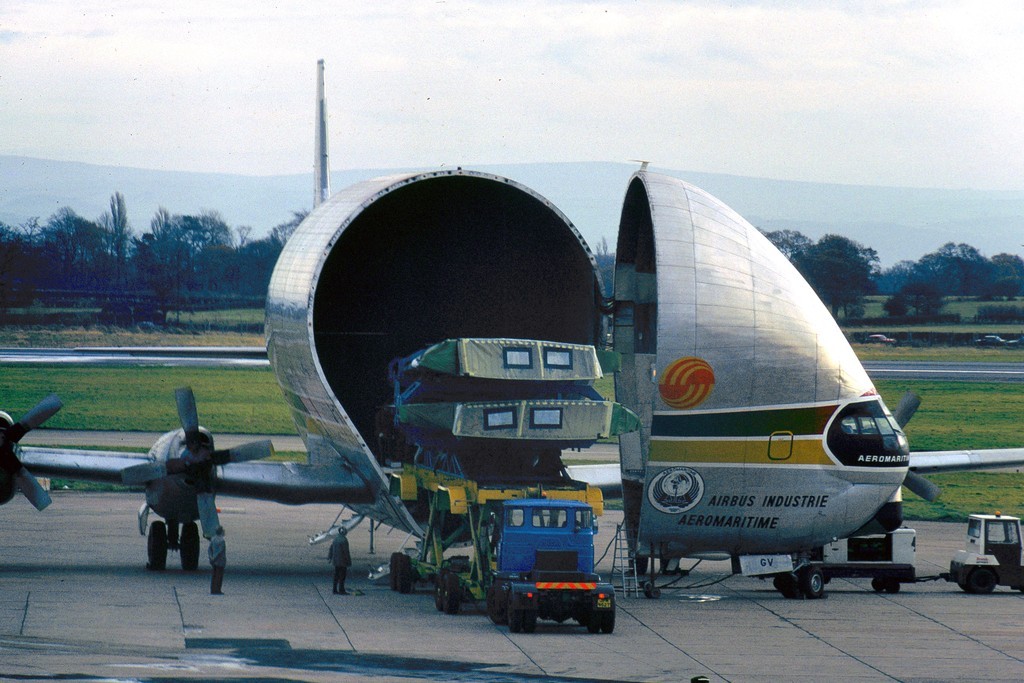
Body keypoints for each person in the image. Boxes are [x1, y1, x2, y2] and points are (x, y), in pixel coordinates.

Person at [328, 528, 352, 595]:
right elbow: (346, 552)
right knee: (342, 576)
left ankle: (334, 589)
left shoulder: (335, 539)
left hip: (335, 561)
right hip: (342, 561)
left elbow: (331, 548)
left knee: (336, 575)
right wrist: (349, 561)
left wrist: (330, 557)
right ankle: (341, 590)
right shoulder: (344, 540)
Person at [209, 526, 226, 594]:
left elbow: (209, 549)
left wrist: (211, 557)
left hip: (213, 560)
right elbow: (220, 551)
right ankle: (217, 589)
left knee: (214, 575)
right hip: (220, 560)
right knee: (219, 576)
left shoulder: (213, 539)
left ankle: (213, 589)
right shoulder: (222, 541)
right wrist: (214, 558)